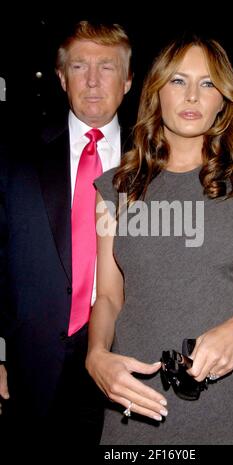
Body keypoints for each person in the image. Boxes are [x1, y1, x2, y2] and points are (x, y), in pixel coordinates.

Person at [86, 34, 233, 445]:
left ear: (223, 100)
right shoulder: (115, 188)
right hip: (137, 396)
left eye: (208, 84)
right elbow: (109, 296)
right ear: (157, 91)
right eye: (179, 81)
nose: (193, 96)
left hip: (231, 398)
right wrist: (97, 355)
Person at [0, 20, 132, 446]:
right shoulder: (14, 156)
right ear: (61, 77)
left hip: (131, 364)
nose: (93, 81)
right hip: (31, 367)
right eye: (79, 67)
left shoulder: (159, 164)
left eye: (107, 67)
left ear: (129, 80)